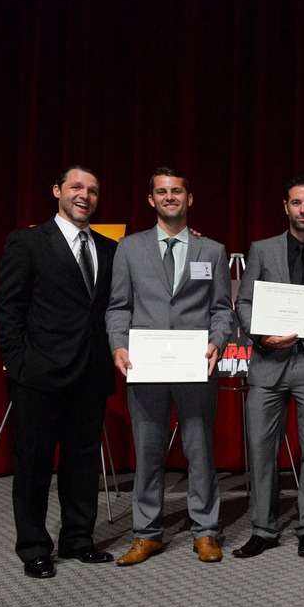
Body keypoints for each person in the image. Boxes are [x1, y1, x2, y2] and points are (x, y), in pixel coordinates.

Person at [0, 165, 118, 579]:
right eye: (77, 187)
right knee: (33, 464)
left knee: (82, 464)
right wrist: (18, 362)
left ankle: (78, 539)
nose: (85, 195)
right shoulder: (27, 242)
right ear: (57, 191)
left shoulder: (108, 247)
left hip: (91, 373)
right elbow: (8, 308)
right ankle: (33, 548)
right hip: (38, 376)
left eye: (93, 190)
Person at [106, 167, 236, 565]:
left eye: (176, 191)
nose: (169, 198)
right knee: (147, 452)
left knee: (200, 451)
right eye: (161, 192)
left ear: (189, 198)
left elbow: (220, 309)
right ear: (151, 200)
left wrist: (217, 342)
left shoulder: (211, 250)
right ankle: (147, 534)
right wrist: (118, 346)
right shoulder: (128, 248)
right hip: (145, 367)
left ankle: (206, 531)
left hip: (196, 366)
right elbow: (118, 307)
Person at [230, 175, 304, 560]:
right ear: (285, 207)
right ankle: (263, 529)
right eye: (296, 203)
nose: (303, 210)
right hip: (267, 363)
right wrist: (262, 338)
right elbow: (244, 303)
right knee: (261, 451)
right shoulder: (261, 250)